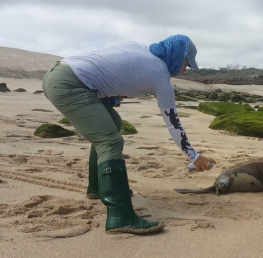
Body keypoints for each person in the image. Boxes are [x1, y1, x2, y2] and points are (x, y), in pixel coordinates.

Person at [42, 35, 217, 234]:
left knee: (113, 124)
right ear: (176, 56)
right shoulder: (159, 75)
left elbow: (110, 69)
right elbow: (174, 124)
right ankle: (120, 217)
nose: (184, 70)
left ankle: (97, 188)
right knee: (110, 140)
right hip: (69, 85)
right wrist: (194, 156)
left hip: (58, 74)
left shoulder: (141, 49)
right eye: (186, 63)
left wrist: (108, 95)